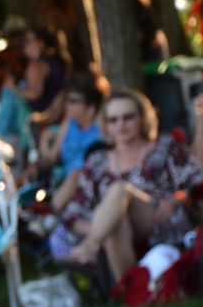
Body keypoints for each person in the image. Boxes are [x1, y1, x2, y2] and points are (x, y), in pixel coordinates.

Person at [62, 88, 203, 279]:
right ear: (106, 125)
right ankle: (128, 290)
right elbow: (72, 213)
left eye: (128, 117)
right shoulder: (97, 161)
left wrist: (174, 200)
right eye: (113, 120)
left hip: (158, 218)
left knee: (120, 189)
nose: (121, 125)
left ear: (143, 118)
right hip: (113, 228)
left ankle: (90, 246)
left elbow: (195, 184)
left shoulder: (165, 147)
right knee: (117, 223)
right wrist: (103, 227)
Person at [35, 72, 104, 211]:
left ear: (91, 108)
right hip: (65, 184)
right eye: (67, 100)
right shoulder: (69, 123)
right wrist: (44, 141)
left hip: (91, 183)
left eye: (74, 101)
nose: (67, 105)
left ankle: (51, 212)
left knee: (76, 174)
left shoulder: (101, 126)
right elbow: (52, 157)